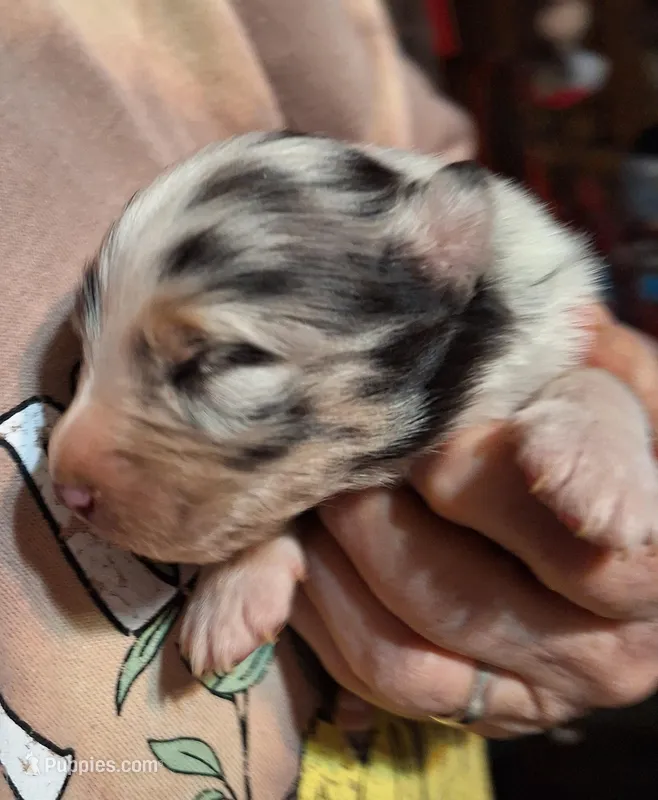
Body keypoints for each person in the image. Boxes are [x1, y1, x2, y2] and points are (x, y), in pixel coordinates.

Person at [1, 1, 658, 798]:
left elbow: (590, 359)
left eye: (212, 361)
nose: (67, 462)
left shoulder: (492, 279)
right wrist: (264, 535)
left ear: (441, 267)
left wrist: (607, 414)